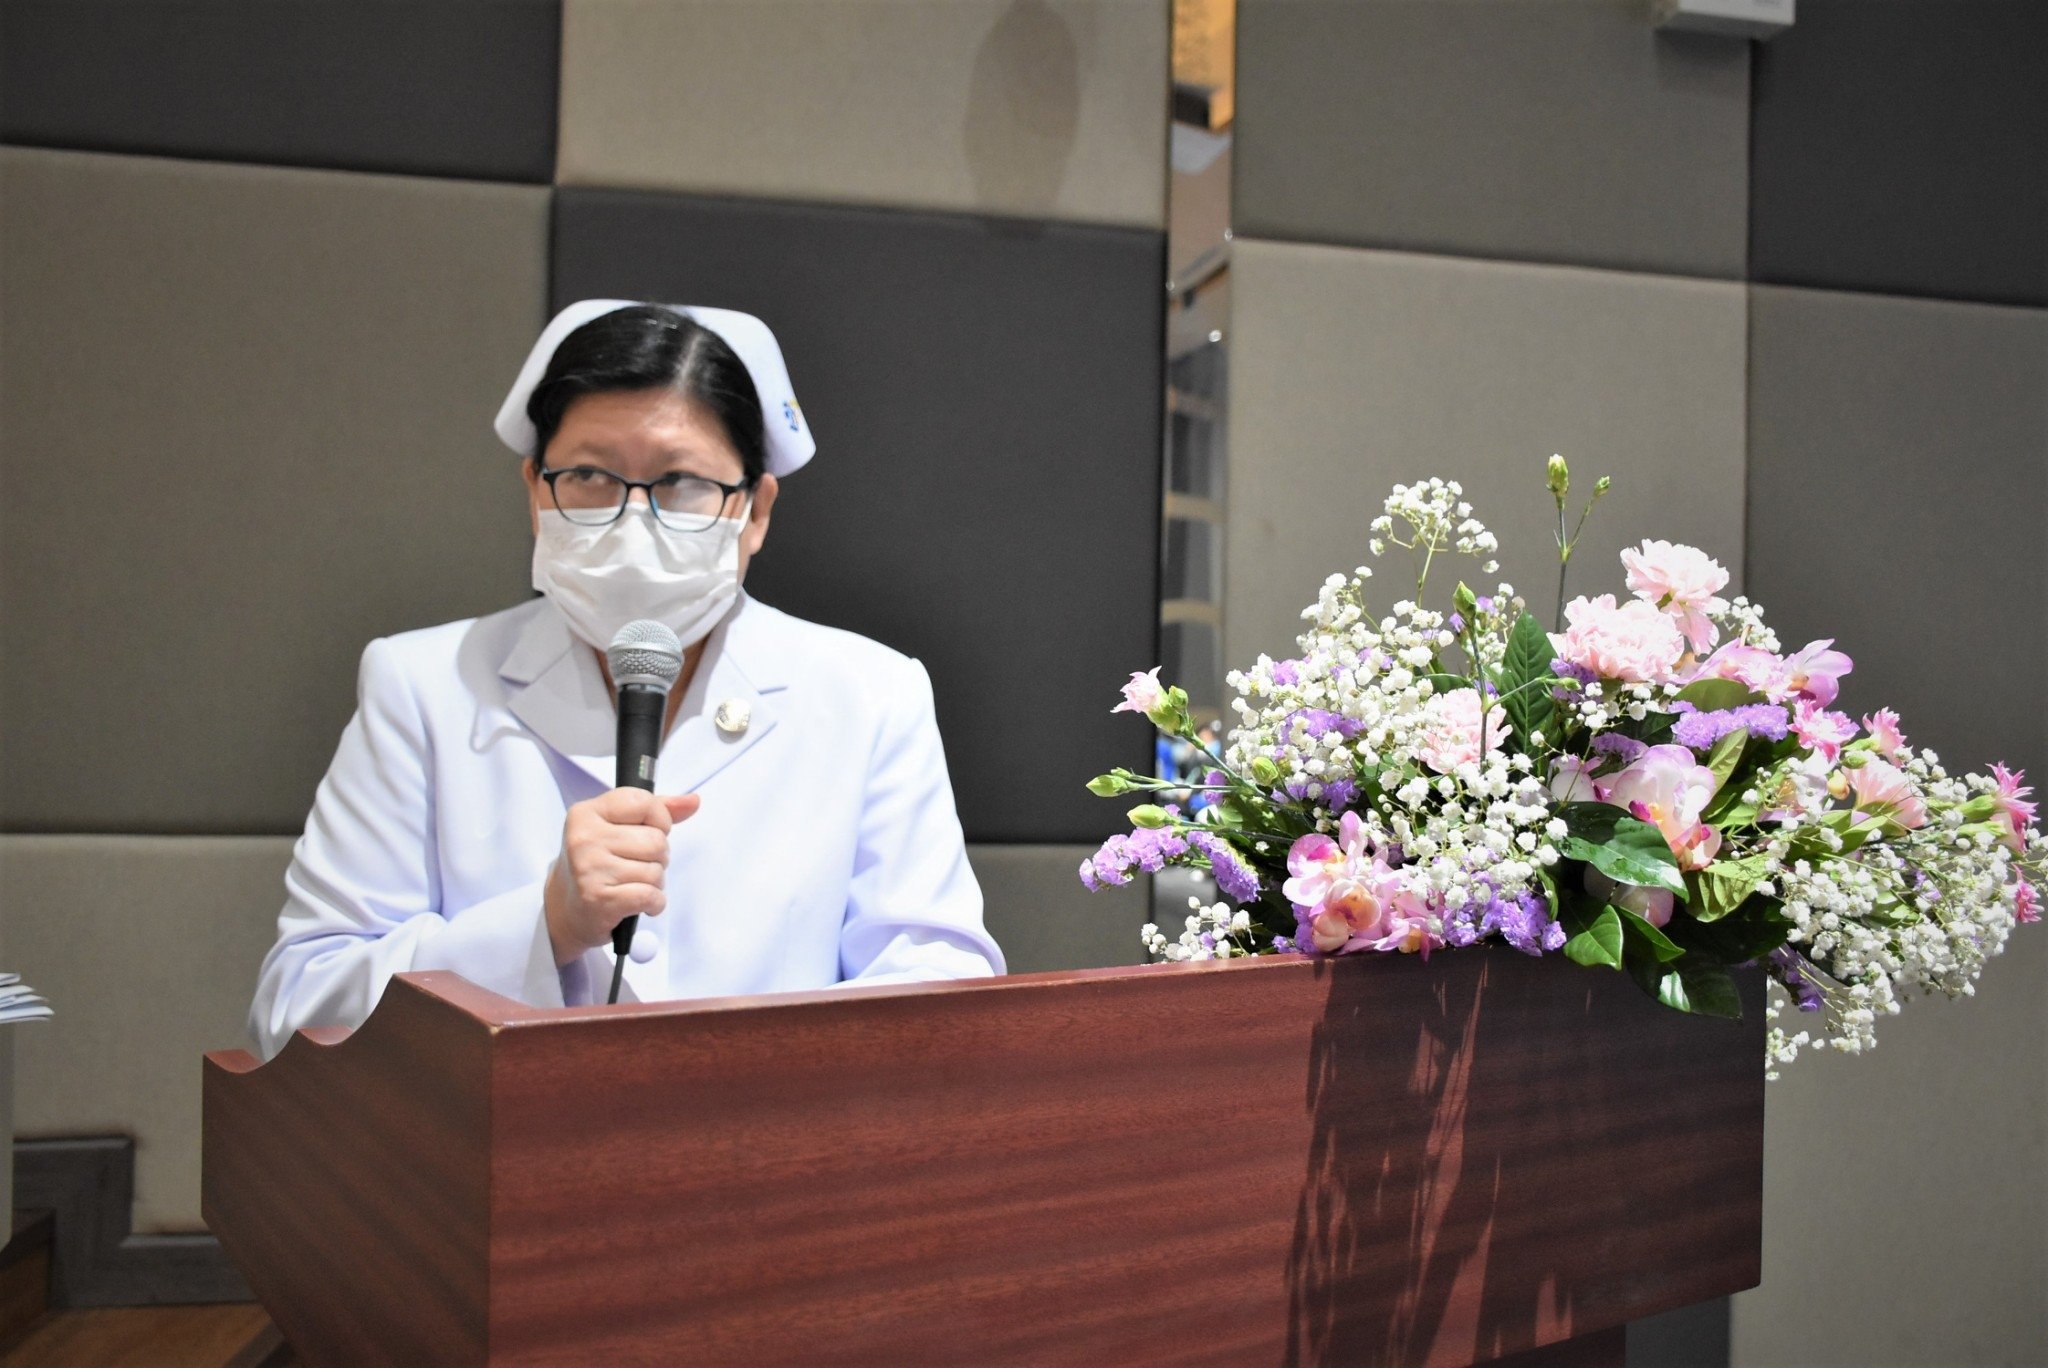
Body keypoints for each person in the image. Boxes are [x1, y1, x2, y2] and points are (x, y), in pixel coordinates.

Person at [249, 300, 1004, 1058]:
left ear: (755, 511)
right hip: (499, 1136)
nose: (632, 522)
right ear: (534, 490)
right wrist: (546, 922)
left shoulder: (870, 696)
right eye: (588, 475)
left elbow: (939, 988)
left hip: (776, 1132)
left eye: (681, 481)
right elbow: (299, 1011)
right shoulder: (422, 686)